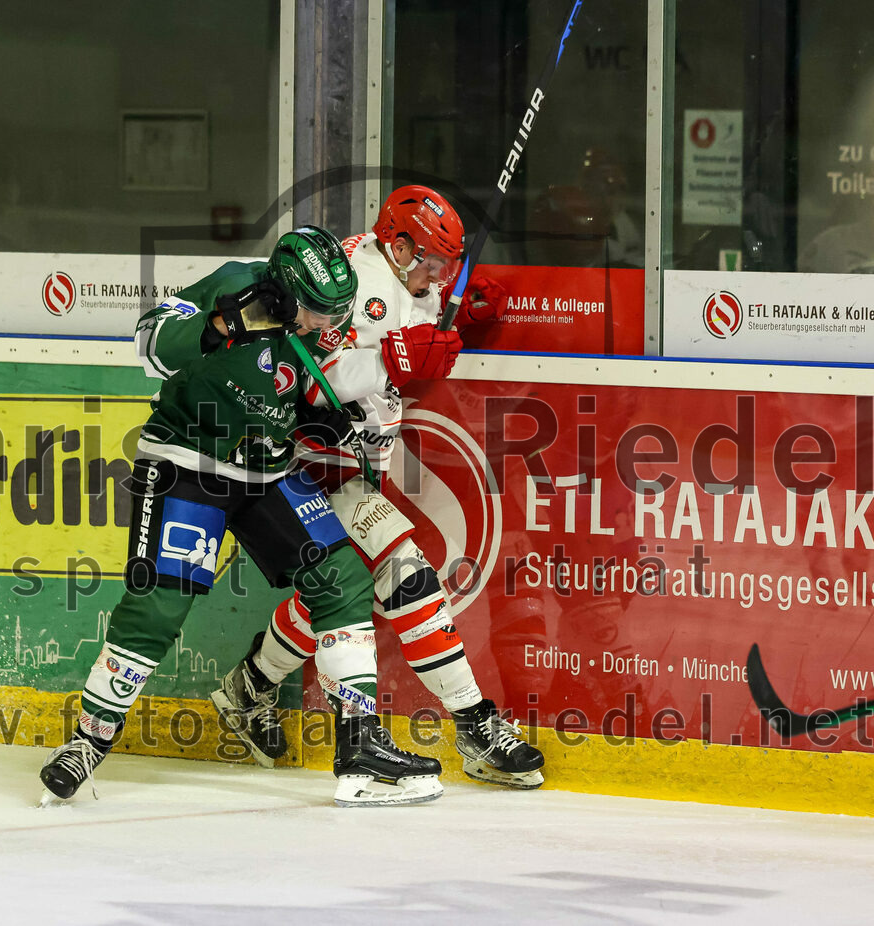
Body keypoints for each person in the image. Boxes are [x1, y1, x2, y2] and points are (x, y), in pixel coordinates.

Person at [38, 225, 443, 807]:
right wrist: (217, 326)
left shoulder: (318, 321)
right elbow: (148, 343)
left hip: (268, 471)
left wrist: (352, 392)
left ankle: (359, 745)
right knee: (161, 604)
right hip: (189, 462)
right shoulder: (233, 285)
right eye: (314, 312)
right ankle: (87, 742)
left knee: (343, 581)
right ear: (281, 289)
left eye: (334, 313)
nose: (323, 325)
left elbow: (311, 381)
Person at [211, 187, 546, 789]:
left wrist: (457, 311)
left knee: (335, 597)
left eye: (446, 267)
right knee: (405, 575)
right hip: (311, 463)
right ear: (397, 247)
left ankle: (247, 689)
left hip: (347, 465)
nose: (438, 278)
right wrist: (395, 359)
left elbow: (413, 313)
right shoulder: (361, 282)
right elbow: (308, 379)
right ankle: (473, 725)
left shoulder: (400, 272)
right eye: (433, 266)